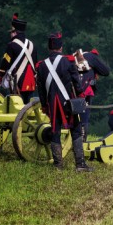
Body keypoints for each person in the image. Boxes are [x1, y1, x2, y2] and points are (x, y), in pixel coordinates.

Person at [36, 32, 93, 172]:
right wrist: (81, 96)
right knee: (76, 130)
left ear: (49, 48)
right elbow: (76, 82)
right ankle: (80, 164)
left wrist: (44, 105)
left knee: (55, 131)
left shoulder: (42, 66)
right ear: (60, 47)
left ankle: (58, 166)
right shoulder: (68, 61)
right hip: (68, 103)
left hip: (52, 103)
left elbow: (41, 89)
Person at [0, 13, 37, 104]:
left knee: (16, 106)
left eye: (11, 32)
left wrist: (0, 76)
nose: (10, 34)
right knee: (28, 106)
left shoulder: (12, 45)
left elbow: (5, 62)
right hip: (30, 81)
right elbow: (35, 64)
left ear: (15, 32)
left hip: (17, 81)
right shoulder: (32, 45)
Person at [74, 48, 110, 139]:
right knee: (84, 118)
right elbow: (106, 71)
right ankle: (82, 141)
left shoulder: (74, 58)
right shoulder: (92, 56)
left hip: (72, 91)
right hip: (85, 91)